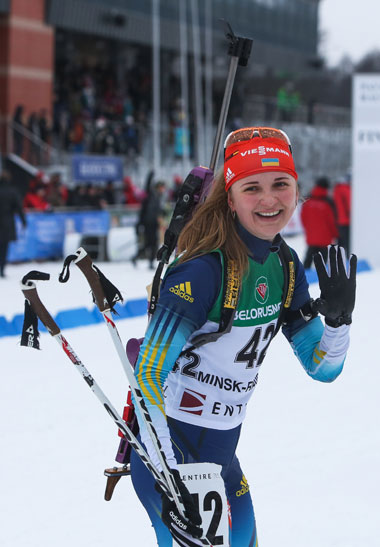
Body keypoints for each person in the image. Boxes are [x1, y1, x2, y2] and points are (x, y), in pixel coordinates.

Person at [129, 127, 357, 546]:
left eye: (280, 184)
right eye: (252, 188)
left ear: (296, 189)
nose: (270, 200)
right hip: (174, 453)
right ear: (230, 197)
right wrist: (169, 474)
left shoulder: (285, 265)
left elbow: (321, 368)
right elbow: (147, 376)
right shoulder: (202, 270)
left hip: (221, 452)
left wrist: (339, 322)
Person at [300, 176, 338, 268]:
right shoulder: (328, 202)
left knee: (308, 261)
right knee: (322, 265)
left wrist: (309, 230)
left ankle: (304, 277)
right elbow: (332, 222)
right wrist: (335, 234)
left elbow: (303, 218)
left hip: (312, 237)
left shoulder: (308, 201)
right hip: (325, 239)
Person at [133, 176, 165, 269]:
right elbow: (147, 187)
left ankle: (140, 259)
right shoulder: (152, 195)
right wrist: (150, 176)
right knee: (150, 243)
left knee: (151, 243)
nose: (163, 189)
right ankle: (142, 259)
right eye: (162, 187)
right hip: (148, 224)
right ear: (158, 187)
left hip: (154, 224)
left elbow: (157, 211)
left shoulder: (159, 197)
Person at [0, 170, 27, 277]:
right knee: (4, 247)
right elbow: (19, 208)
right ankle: (2, 269)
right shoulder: (12, 191)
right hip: (7, 222)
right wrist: (23, 221)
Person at [333, 176, 351, 253]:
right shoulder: (346, 190)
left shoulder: (336, 189)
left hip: (338, 221)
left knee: (340, 244)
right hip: (347, 221)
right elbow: (349, 205)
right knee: (348, 244)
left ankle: (339, 262)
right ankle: (348, 261)